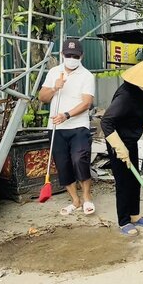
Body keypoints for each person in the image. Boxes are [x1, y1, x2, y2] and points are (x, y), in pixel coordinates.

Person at [101, 57, 143, 237]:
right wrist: (118, 147)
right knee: (123, 182)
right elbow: (106, 122)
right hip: (118, 141)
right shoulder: (125, 96)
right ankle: (124, 221)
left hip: (130, 141)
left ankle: (134, 215)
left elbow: (139, 110)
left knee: (135, 179)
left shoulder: (141, 90)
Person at [39, 39, 95, 216]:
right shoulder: (54, 72)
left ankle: (86, 198)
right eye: (68, 55)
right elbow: (42, 97)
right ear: (62, 55)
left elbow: (87, 103)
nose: (72, 58)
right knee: (63, 165)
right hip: (56, 127)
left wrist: (67, 115)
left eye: (75, 56)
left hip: (78, 126)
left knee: (80, 160)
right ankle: (75, 201)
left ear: (81, 56)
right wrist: (55, 88)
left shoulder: (87, 76)